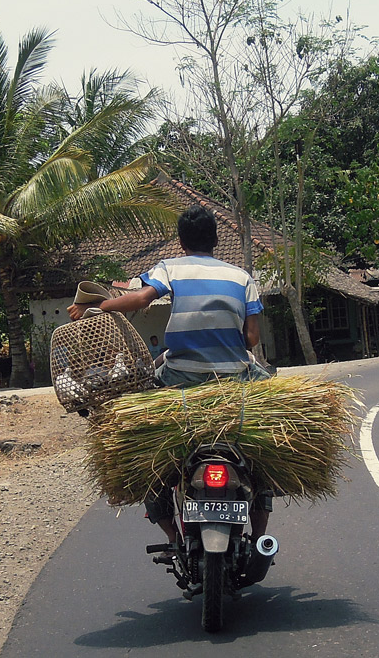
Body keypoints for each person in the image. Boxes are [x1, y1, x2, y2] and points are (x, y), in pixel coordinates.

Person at [68, 204, 272, 544]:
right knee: (263, 461)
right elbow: (252, 338)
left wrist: (97, 305)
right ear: (217, 240)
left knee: (146, 457)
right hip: (235, 376)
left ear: (181, 242)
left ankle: (174, 538)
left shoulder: (170, 268)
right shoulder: (243, 278)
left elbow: (140, 299)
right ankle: (260, 538)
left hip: (179, 377)